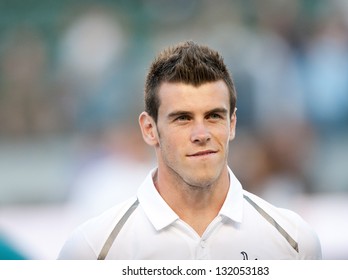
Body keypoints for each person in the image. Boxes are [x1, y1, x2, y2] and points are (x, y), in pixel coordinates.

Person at [58, 41, 321, 260]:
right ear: (149, 129)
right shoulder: (92, 251)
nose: (201, 134)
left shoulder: (295, 242)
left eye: (214, 116)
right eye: (182, 118)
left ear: (232, 124)